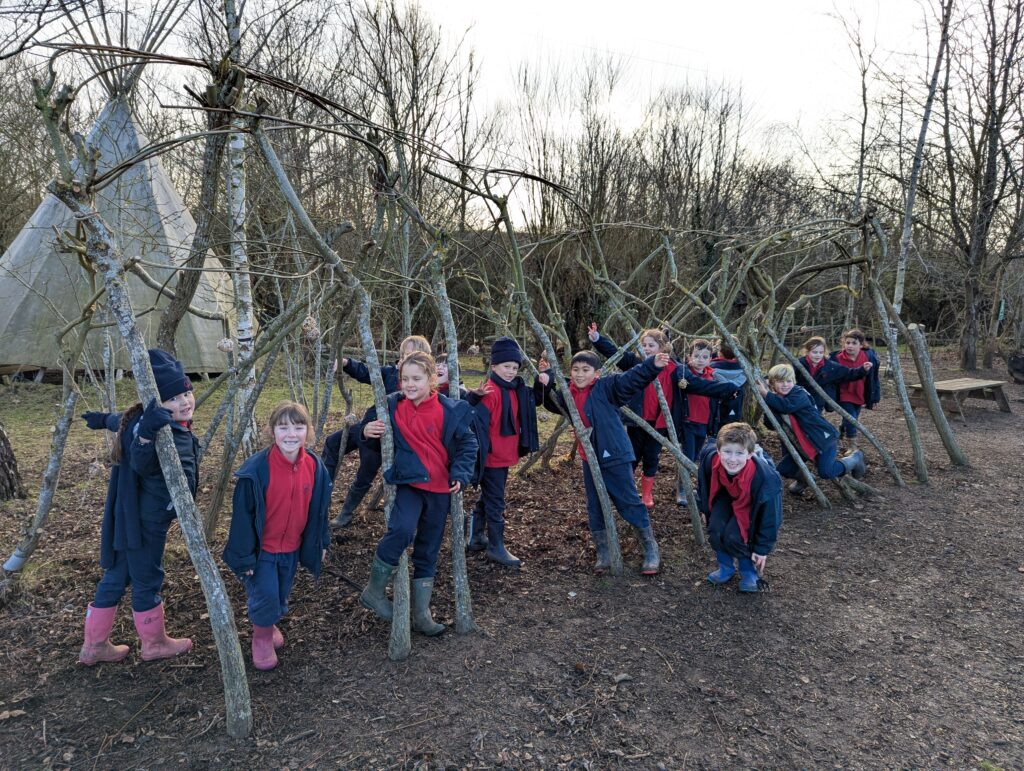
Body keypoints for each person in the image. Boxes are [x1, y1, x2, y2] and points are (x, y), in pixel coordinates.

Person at [77, 349, 197, 665]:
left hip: (130, 515)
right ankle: (154, 643)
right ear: (156, 404)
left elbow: (123, 419)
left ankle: (94, 647)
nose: (184, 401)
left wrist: (104, 419)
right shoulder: (155, 429)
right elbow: (143, 462)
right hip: (147, 521)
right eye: (173, 398)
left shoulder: (143, 418)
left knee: (117, 575)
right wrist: (146, 436)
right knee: (147, 577)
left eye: (186, 392)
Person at [358, 352, 478, 636]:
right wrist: (365, 430)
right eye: (405, 379)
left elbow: (468, 444)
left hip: (440, 490)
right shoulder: (391, 405)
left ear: (431, 380)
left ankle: (421, 614)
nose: (409, 384)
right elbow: (364, 435)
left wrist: (460, 474)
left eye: (416, 379)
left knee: (428, 549)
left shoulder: (450, 409)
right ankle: (373, 591)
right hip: (410, 484)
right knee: (400, 529)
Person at [536, 348, 671, 575]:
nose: (579, 374)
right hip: (589, 457)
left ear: (596, 373)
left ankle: (650, 547)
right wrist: (545, 379)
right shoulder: (567, 393)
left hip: (614, 454)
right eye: (575, 370)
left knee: (628, 500)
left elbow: (632, 378)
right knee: (595, 505)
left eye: (585, 370)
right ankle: (604, 551)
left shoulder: (607, 387)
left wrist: (652, 365)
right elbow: (547, 402)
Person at [222, 402, 332, 671]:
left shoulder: (316, 467)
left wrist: (322, 542)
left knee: (281, 593)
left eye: (298, 427)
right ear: (272, 432)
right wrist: (244, 558)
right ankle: (260, 638)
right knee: (266, 595)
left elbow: (320, 511)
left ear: (309, 431)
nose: (291, 434)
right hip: (262, 551)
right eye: (283, 427)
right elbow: (242, 519)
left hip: (292, 548)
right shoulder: (257, 471)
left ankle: (268, 625)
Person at [322, 335, 432, 528]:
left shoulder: (419, 385)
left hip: (381, 440)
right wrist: (347, 363)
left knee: (365, 474)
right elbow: (366, 372)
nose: (403, 360)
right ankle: (322, 494)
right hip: (366, 426)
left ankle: (346, 512)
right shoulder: (390, 373)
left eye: (410, 355)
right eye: (403, 355)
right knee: (332, 443)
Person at [464, 337, 540, 568]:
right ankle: (496, 546)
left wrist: (543, 381)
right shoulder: (491, 391)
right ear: (494, 366)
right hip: (491, 458)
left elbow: (532, 400)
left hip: (505, 455)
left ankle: (476, 536)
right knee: (496, 501)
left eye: (515, 367)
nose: (511, 371)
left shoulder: (515, 389)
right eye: (506, 366)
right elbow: (474, 420)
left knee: (490, 496)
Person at [588, 324, 677, 509]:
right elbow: (616, 353)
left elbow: (692, 381)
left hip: (658, 423)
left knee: (652, 457)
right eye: (644, 345)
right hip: (638, 421)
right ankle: (626, 489)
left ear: (662, 347)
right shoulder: (636, 362)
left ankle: (646, 494)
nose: (646, 349)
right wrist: (597, 339)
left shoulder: (672, 367)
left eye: (651, 345)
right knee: (633, 454)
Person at [697, 422, 782, 593]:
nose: (732, 459)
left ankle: (748, 571)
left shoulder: (766, 479)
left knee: (735, 536)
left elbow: (771, 518)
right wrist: (704, 509)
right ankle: (726, 567)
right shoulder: (709, 458)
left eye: (739, 453)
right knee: (715, 528)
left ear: (750, 454)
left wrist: (762, 549)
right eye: (727, 452)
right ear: (719, 450)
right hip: (725, 493)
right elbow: (703, 485)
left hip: (750, 500)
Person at [756, 363, 866, 495]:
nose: (785, 385)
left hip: (823, 439)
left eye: (789, 381)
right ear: (772, 384)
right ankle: (806, 480)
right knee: (785, 468)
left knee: (826, 472)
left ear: (794, 381)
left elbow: (787, 407)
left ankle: (855, 458)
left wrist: (766, 394)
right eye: (780, 382)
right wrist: (768, 403)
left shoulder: (799, 394)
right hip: (801, 443)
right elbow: (770, 425)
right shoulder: (776, 400)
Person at [829, 329, 880, 448]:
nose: (850, 346)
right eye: (847, 343)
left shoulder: (868, 356)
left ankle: (841, 430)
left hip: (860, 393)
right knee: (851, 419)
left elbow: (874, 378)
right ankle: (852, 447)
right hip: (844, 394)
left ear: (861, 345)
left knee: (852, 417)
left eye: (854, 343)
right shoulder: (836, 358)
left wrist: (875, 396)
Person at [794, 336, 871, 412]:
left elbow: (848, 373)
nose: (818, 355)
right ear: (807, 352)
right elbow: (790, 379)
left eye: (821, 352)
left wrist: (863, 369)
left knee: (813, 419)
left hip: (818, 401)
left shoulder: (830, 366)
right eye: (814, 352)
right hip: (801, 399)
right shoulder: (799, 364)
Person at [709, 341, 747, 426]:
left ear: (720, 353)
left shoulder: (711, 368)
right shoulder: (743, 370)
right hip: (735, 407)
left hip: (717, 408)